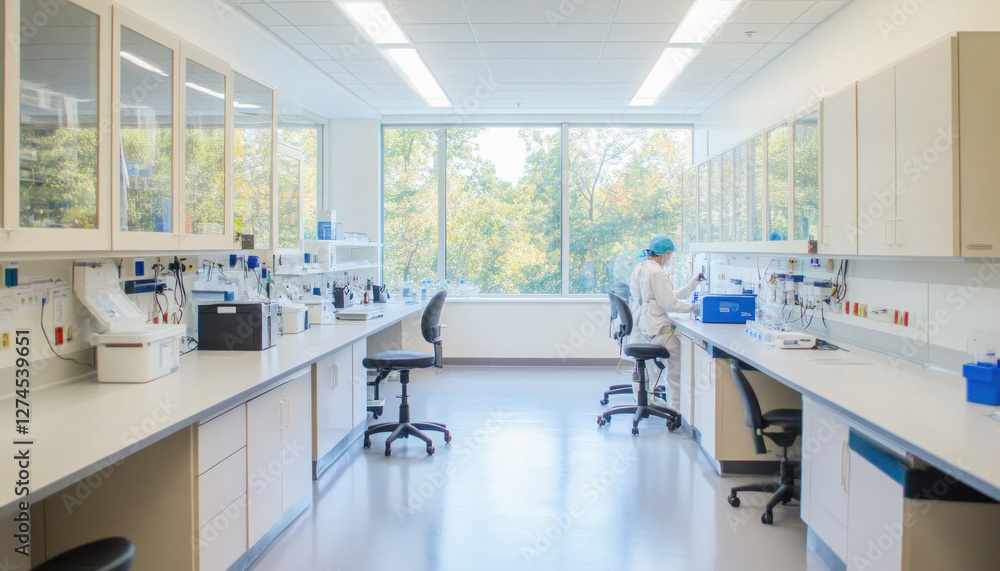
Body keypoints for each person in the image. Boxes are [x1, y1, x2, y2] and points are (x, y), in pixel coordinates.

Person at [629, 236, 705, 411]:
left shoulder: (640, 267)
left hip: (644, 323)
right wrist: (693, 308)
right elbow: (669, 304)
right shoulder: (658, 273)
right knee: (675, 368)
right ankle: (676, 409)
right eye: (670, 254)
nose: (670, 258)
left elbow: (666, 296)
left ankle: (645, 400)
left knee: (647, 371)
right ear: (665, 254)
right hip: (657, 327)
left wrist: (693, 284)